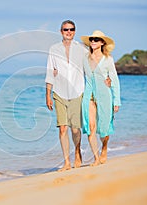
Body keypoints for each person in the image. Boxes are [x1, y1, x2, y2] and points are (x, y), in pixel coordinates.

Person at [45, 20, 87, 171]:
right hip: (59, 92)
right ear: (60, 31)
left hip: (77, 91)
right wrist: (48, 94)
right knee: (63, 128)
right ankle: (67, 162)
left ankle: (77, 151)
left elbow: (91, 68)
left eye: (71, 29)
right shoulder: (54, 49)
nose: (68, 32)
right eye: (65, 29)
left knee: (75, 129)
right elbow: (50, 71)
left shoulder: (82, 49)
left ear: (74, 31)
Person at [80, 30, 121, 166]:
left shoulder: (108, 59)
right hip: (89, 95)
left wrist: (117, 101)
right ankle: (96, 158)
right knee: (90, 126)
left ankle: (104, 147)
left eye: (96, 39)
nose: (93, 41)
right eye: (91, 39)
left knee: (105, 128)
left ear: (102, 42)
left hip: (105, 95)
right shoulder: (85, 58)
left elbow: (114, 79)